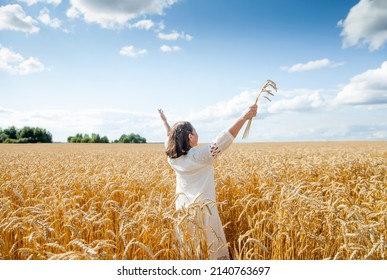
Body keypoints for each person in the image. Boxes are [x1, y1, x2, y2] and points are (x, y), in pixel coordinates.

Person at [158, 104, 258, 259]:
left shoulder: (172, 157)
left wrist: (164, 121)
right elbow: (223, 140)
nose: (197, 133)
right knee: (211, 247)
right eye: (195, 131)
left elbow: (168, 137)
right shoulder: (199, 156)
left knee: (189, 246)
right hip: (204, 211)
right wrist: (243, 117)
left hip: (182, 209)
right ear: (190, 137)